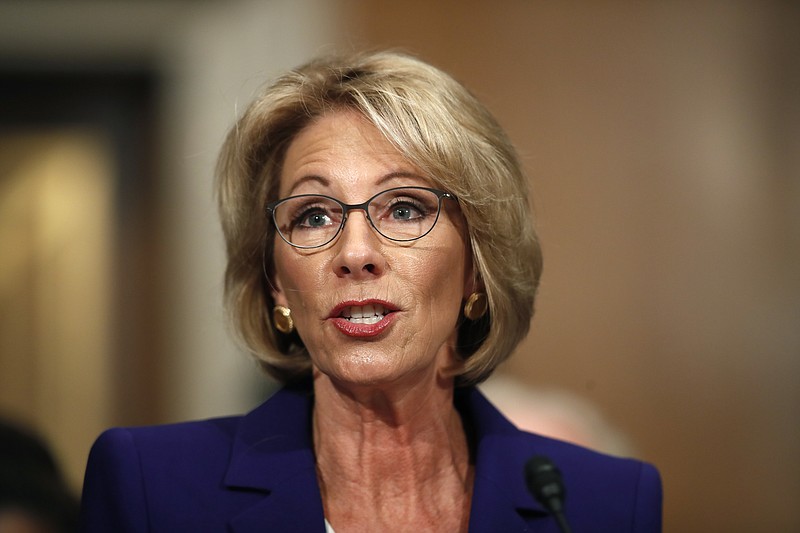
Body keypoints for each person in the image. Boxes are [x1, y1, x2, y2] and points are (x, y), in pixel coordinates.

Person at [79, 50, 662, 532]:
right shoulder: (153, 490)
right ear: (276, 281)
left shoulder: (601, 506)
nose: (355, 253)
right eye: (312, 216)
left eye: (405, 208)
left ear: (476, 271)